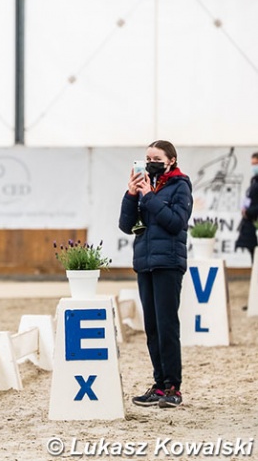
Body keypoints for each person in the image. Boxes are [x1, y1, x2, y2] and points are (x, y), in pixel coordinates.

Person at [118, 140, 193, 408]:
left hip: (168, 263)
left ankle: (174, 386)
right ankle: (159, 384)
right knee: (151, 327)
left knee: (167, 326)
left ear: (171, 160)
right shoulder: (144, 185)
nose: (151, 161)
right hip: (145, 262)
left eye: (156, 157)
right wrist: (131, 194)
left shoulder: (180, 185)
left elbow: (175, 223)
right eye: (147, 157)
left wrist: (148, 197)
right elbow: (127, 225)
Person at [235, 152, 258, 263]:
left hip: (254, 220)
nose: (254, 167)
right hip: (250, 223)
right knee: (253, 253)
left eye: (256, 163)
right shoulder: (254, 181)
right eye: (252, 164)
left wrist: (249, 211)